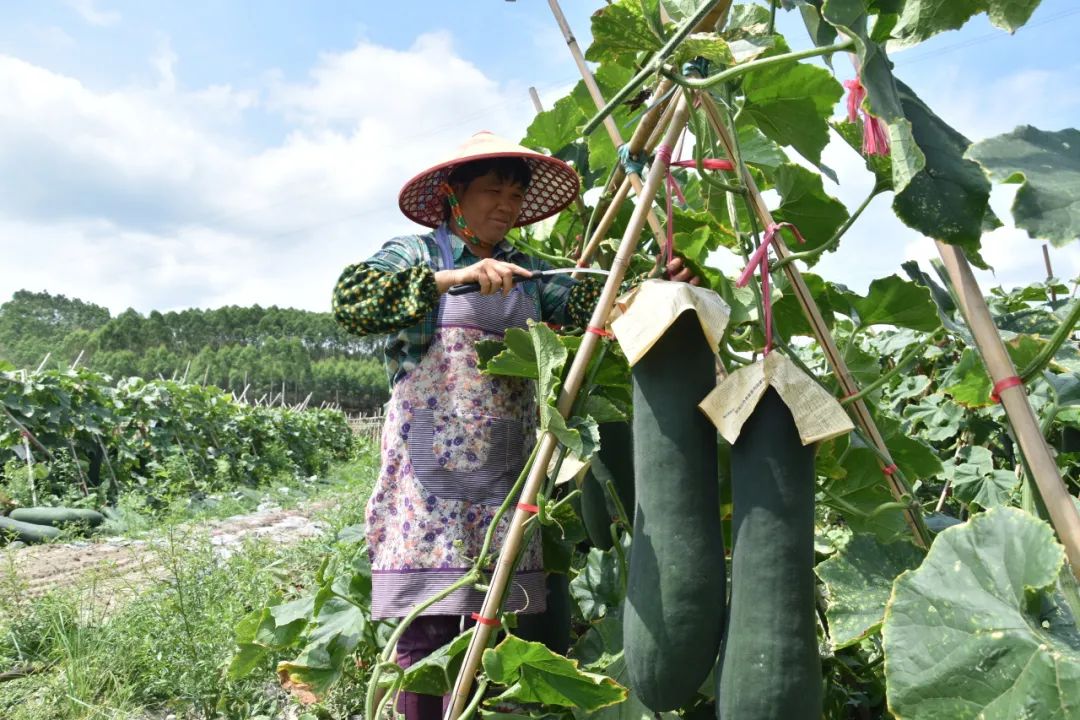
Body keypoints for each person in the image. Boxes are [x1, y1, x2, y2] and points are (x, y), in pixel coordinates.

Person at [331, 131, 695, 719]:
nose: (505, 205)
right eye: (491, 192)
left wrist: (661, 281)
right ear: (454, 196)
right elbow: (353, 300)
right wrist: (457, 279)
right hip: (428, 488)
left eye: (514, 195)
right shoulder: (418, 256)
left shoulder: (530, 270)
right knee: (426, 637)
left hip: (506, 481)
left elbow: (598, 306)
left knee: (495, 635)